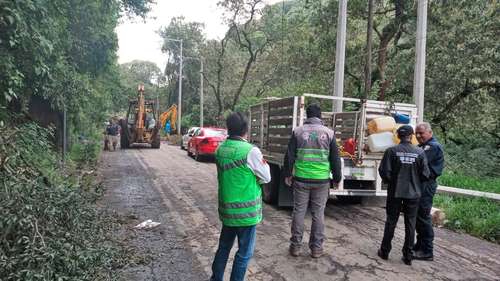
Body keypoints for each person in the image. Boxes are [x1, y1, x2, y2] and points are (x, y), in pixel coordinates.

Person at [210, 112, 271, 281]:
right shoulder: (251, 151)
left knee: (223, 248)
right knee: (244, 254)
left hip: (227, 211)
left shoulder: (220, 149)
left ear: (228, 129)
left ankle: (216, 278)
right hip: (246, 215)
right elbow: (267, 177)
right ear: (246, 129)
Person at [283, 104, 342, 258]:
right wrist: (337, 178)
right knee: (318, 214)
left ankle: (295, 247)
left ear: (307, 116)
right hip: (321, 181)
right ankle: (316, 249)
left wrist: (288, 174)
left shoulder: (298, 132)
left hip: (301, 179)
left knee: (299, 212)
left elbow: (289, 155)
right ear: (320, 116)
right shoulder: (329, 133)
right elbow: (335, 158)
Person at [378, 125, 430, 265]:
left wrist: (392, 182)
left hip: (395, 192)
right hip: (413, 194)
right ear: (411, 136)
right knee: (410, 223)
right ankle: (408, 255)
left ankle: (384, 251)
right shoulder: (419, 152)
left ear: (398, 136)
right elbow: (426, 174)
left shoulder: (391, 151)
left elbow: (384, 171)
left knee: (391, 221)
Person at [413, 122, 444, 261]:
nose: (418, 136)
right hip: (421, 184)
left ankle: (427, 251)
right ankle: (419, 245)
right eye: (416, 133)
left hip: (426, 184)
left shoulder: (432, 147)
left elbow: (418, 163)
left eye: (421, 133)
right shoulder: (423, 146)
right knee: (418, 216)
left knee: (423, 217)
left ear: (430, 132)